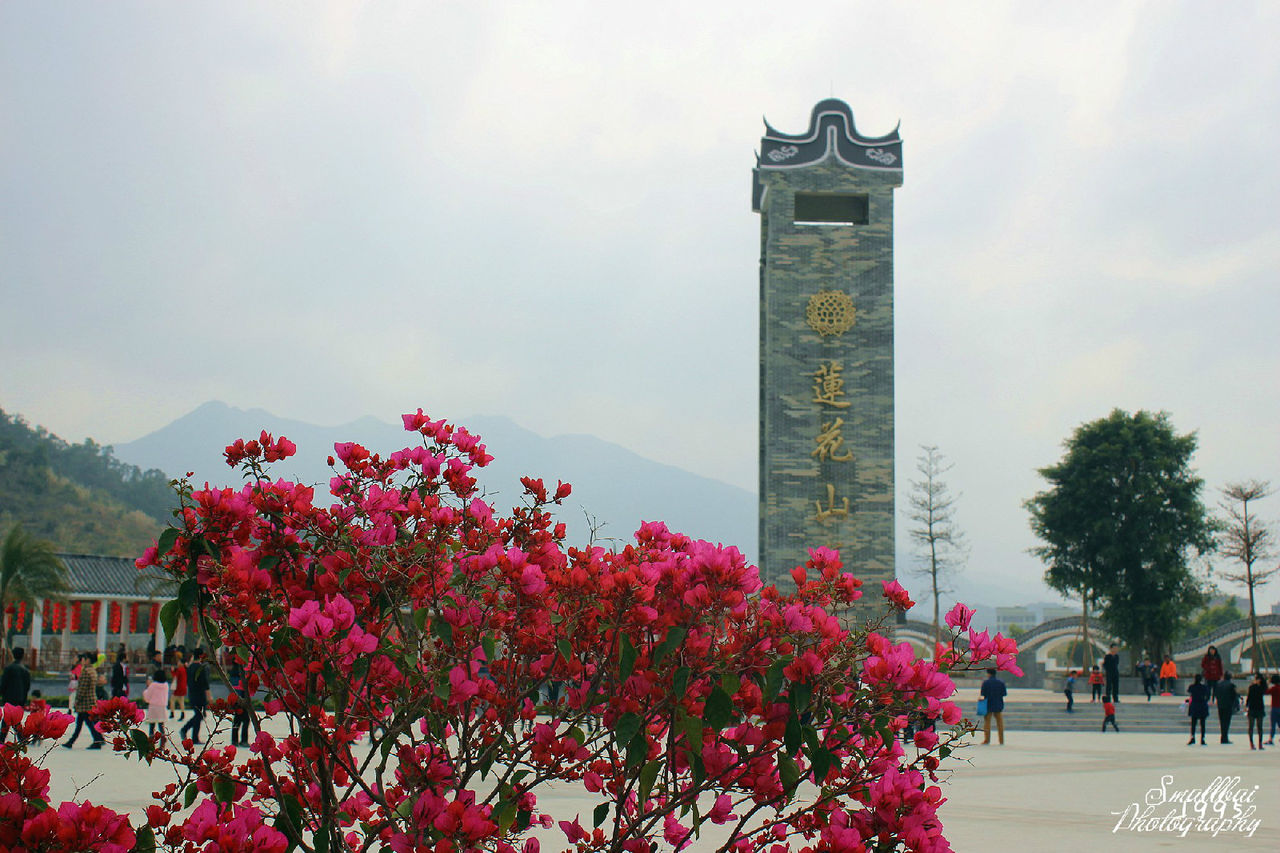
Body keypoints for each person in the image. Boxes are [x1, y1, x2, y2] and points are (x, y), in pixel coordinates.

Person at [63, 653, 105, 749]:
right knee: (82, 722)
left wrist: (77, 700)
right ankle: (72, 741)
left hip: (85, 702)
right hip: (90, 700)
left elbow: (82, 688)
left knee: (87, 722)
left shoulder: (86, 671)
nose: (82, 661)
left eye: (84, 659)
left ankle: (97, 740)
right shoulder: (92, 671)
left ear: (88, 660)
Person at [0, 647, 32, 742]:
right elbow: (27, 686)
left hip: (9, 698)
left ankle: (2, 739)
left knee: (7, 719)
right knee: (15, 719)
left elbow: (3, 684)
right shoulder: (25, 670)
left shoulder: (9, 668)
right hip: (20, 699)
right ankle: (21, 738)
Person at [179, 649, 209, 744]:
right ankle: (186, 730)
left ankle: (193, 736)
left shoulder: (190, 667)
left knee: (198, 715)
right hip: (200, 694)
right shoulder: (201, 668)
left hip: (192, 694)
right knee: (199, 715)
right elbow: (205, 684)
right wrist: (209, 697)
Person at [228, 659, 253, 747]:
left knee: (237, 720)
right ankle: (244, 740)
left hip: (234, 700)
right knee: (246, 720)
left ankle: (234, 740)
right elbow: (242, 688)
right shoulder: (241, 673)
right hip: (242, 700)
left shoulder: (232, 673)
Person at [980, 668, 1007, 745]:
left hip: (988, 704)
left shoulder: (985, 683)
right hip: (998, 704)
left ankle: (987, 740)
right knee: (1000, 723)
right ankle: (1001, 740)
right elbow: (1004, 693)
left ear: (989, 674)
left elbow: (983, 693)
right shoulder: (1001, 682)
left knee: (987, 722)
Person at [142, 669, 169, 737]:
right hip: (162, 707)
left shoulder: (153, 685)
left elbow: (147, 696)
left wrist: (146, 689)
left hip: (153, 707)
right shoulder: (166, 685)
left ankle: (151, 740)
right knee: (161, 725)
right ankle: (163, 741)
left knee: (152, 726)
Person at [1215, 671, 1240, 744]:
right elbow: (1234, 696)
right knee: (1226, 722)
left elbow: (1216, 694)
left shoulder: (1218, 684)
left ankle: (1223, 737)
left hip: (1220, 705)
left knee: (1222, 722)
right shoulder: (1231, 685)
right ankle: (1225, 737)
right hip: (1228, 706)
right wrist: (1235, 706)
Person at [1187, 674, 1210, 745]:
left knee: (1193, 723)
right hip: (1202, 705)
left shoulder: (1192, 687)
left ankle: (1192, 737)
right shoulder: (1204, 687)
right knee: (1202, 724)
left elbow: (1189, 692)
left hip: (1194, 705)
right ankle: (1202, 739)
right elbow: (1208, 695)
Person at [1245, 672, 1266, 751]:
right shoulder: (1255, 687)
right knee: (1254, 727)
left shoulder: (1260, 687)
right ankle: (1254, 743)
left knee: (1256, 727)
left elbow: (1249, 697)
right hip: (1256, 708)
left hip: (1256, 708)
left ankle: (1257, 743)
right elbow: (1249, 697)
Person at [169, 647, 188, 720]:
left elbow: (175, 676)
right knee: (181, 701)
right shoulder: (184, 669)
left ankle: (172, 713)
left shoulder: (179, 669)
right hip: (183, 687)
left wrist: (172, 671)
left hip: (178, 687)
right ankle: (182, 713)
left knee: (172, 700)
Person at [1268, 674, 1280, 746]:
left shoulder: (1274, 688)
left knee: (1273, 725)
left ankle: (1271, 739)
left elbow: (1266, 692)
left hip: (1274, 708)